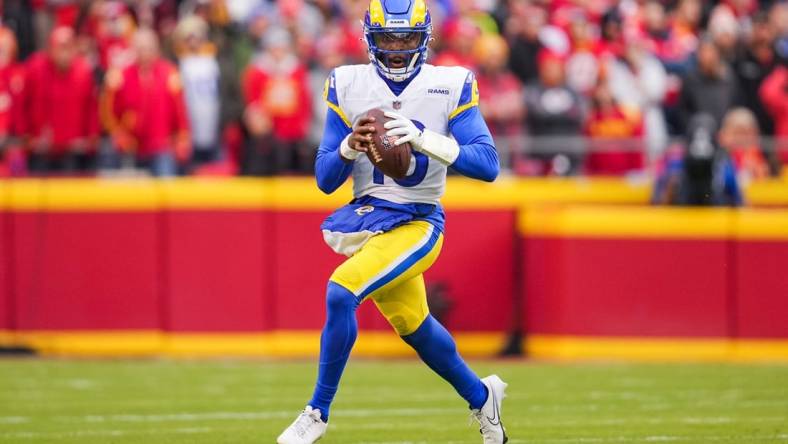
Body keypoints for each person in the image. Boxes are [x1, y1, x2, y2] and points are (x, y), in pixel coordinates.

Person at [276, 1, 507, 443]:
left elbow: (488, 165)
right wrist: (348, 146)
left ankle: (317, 413)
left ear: (424, 39)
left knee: (341, 291)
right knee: (416, 328)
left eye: (406, 38)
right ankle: (482, 397)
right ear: (370, 38)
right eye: (388, 38)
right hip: (371, 216)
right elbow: (326, 180)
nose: (398, 49)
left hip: (418, 221)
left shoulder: (449, 83)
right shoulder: (347, 82)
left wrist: (423, 139)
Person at [100, 28, 190, 176]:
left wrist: (182, 139)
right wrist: (118, 134)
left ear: (157, 49)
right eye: (141, 48)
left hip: (161, 146)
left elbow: (180, 111)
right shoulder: (120, 76)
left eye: (149, 48)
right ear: (133, 49)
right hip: (130, 147)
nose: (145, 53)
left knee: (166, 188)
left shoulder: (170, 74)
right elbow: (108, 113)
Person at [22, 26, 99, 174]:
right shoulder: (35, 68)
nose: (64, 54)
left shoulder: (83, 72)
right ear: (50, 49)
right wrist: (28, 138)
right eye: (60, 48)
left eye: (68, 48)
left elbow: (91, 109)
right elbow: (23, 104)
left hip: (72, 149)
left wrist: (90, 139)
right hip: (41, 149)